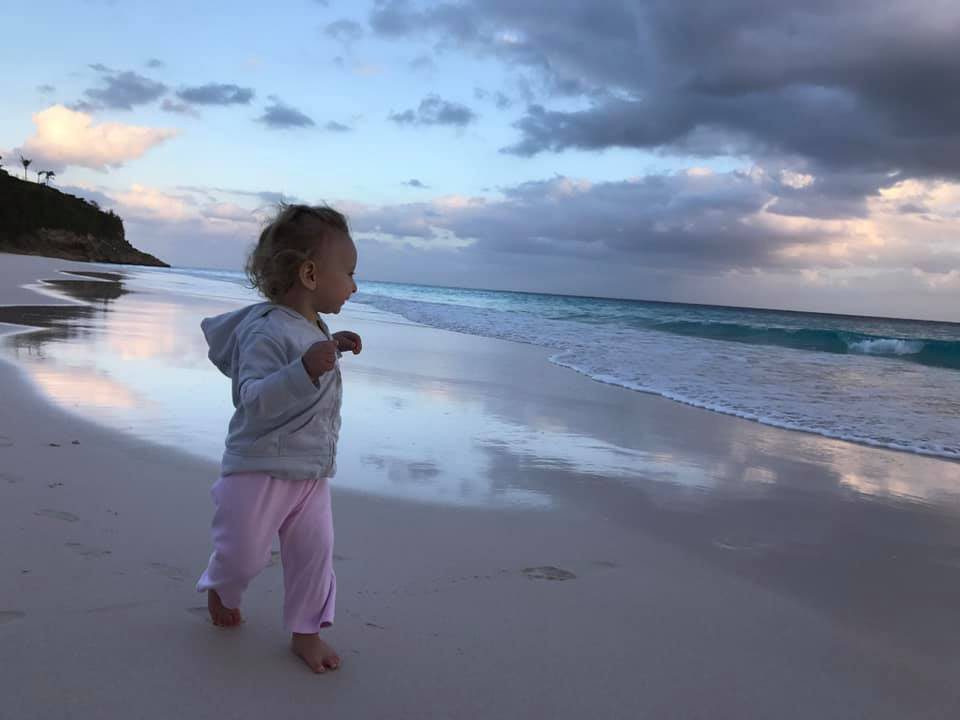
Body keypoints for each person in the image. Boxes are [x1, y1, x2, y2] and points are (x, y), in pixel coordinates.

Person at [195, 203, 361, 674]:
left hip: (310, 470)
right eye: (348, 273)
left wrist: (333, 347)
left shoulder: (314, 325)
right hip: (259, 468)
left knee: (315, 555)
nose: (354, 285)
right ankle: (223, 583)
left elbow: (310, 369)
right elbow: (253, 399)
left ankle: (306, 633)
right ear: (310, 274)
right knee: (244, 555)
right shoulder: (264, 331)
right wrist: (305, 367)